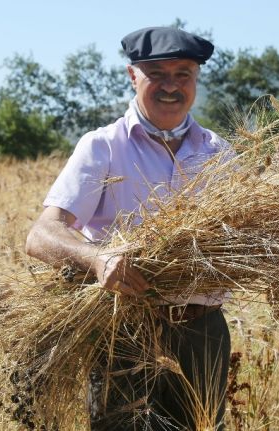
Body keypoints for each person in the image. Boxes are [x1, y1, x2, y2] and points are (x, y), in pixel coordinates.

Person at [25, 26, 232, 430]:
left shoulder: (218, 153)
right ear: (132, 76)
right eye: (157, 74)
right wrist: (98, 259)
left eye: (183, 74)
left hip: (202, 333)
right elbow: (41, 234)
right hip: (126, 331)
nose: (171, 86)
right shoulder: (102, 147)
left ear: (197, 79)